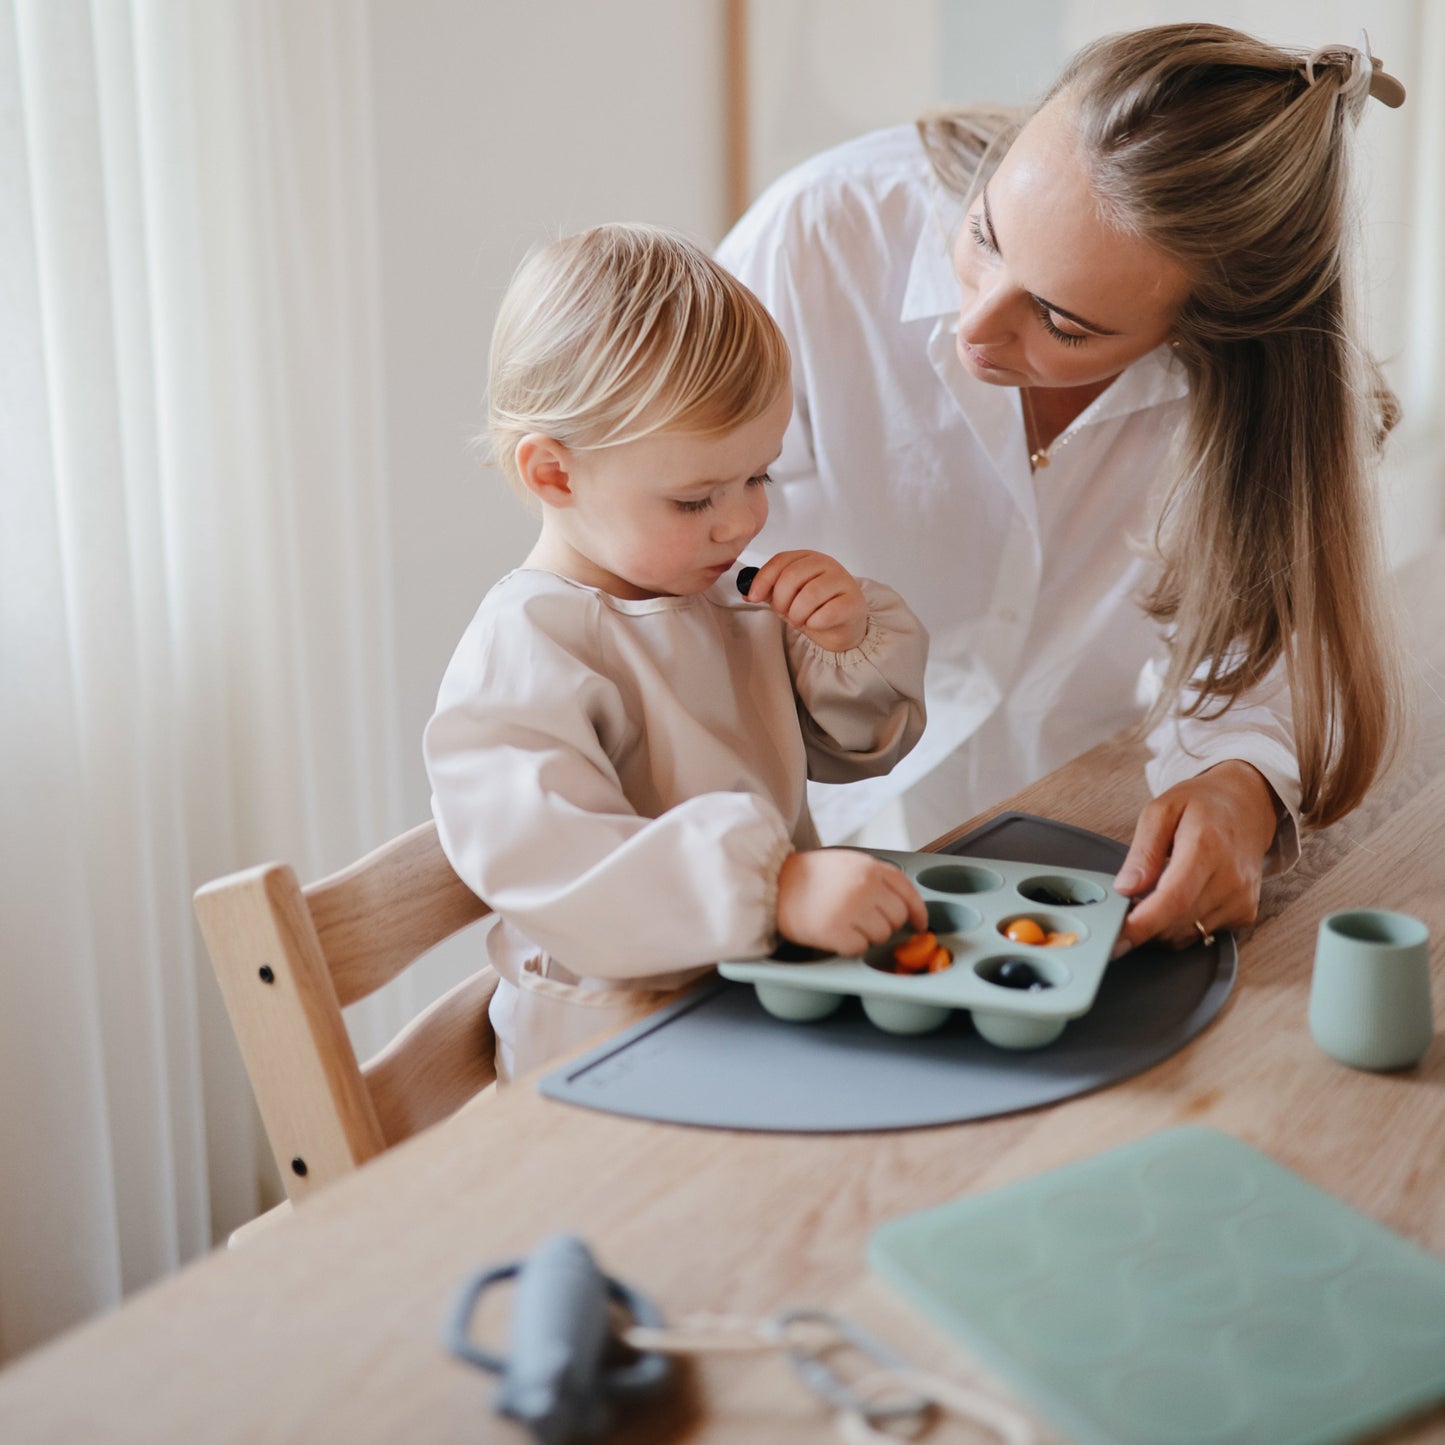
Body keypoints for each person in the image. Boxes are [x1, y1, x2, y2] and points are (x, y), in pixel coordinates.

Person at [716, 22, 1409, 954]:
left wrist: (1239, 781)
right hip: (773, 851)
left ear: (1204, 331)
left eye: (1061, 321)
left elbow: (1266, 658)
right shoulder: (818, 240)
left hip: (1069, 853)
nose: (975, 327)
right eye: (985, 234)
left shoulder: (1263, 397)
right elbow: (640, 543)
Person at [425, 222, 930, 1081]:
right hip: (613, 1054)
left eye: (758, 477)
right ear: (554, 475)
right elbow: (555, 863)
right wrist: (771, 888)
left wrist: (843, 645)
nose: (740, 522)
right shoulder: (528, 649)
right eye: (696, 497)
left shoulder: (724, 598)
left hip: (757, 1009)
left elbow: (853, 751)